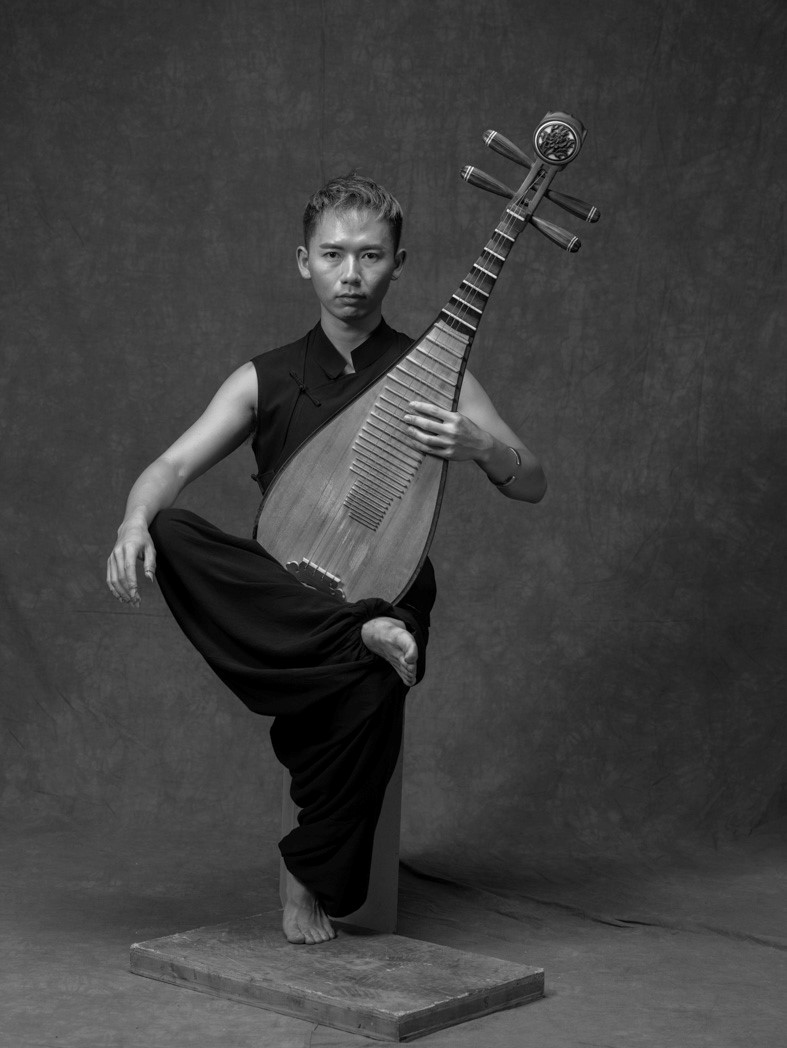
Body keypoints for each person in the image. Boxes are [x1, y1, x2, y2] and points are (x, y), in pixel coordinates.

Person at [106, 173, 546, 945]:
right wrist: (132, 522)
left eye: (370, 256)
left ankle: (308, 868)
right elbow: (171, 467)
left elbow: (532, 481)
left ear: (397, 265)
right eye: (333, 254)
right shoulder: (264, 377)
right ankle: (355, 634)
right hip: (279, 602)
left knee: (375, 683)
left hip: (387, 589)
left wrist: (482, 446)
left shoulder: (440, 373)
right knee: (172, 531)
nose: (350, 275)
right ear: (302, 261)